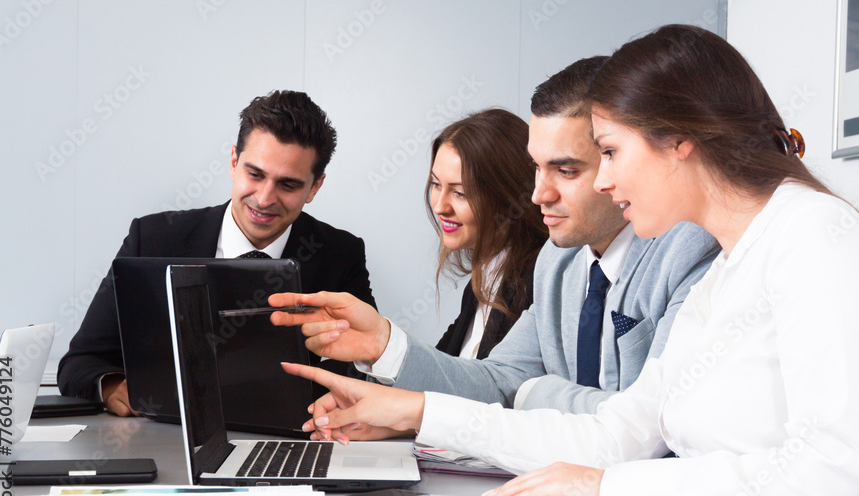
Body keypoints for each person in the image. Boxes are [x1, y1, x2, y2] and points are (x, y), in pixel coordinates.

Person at [282, 26, 859, 496]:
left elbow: (832, 472)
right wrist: (418, 411)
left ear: (681, 140)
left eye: (610, 152)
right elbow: (616, 435)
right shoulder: (726, 275)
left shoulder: (815, 235)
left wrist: (611, 489)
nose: (606, 179)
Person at [270, 57, 719, 422]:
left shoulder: (688, 251)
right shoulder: (556, 265)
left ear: (613, 158)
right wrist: (385, 346)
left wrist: (532, 395)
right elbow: (494, 382)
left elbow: (655, 421)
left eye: (565, 170)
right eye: (537, 168)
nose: (539, 193)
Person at [57, 90, 376, 417]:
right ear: (234, 162)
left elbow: (363, 372)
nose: (265, 199)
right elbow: (80, 364)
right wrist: (113, 388)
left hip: (290, 441)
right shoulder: (152, 239)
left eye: (288, 185)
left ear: (315, 187)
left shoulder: (341, 255)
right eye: (255, 174)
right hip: (168, 440)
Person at [426, 109, 547, 361]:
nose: (440, 206)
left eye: (460, 193)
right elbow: (439, 370)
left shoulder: (539, 283)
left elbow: (494, 387)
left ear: (507, 196)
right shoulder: (484, 277)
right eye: (436, 184)